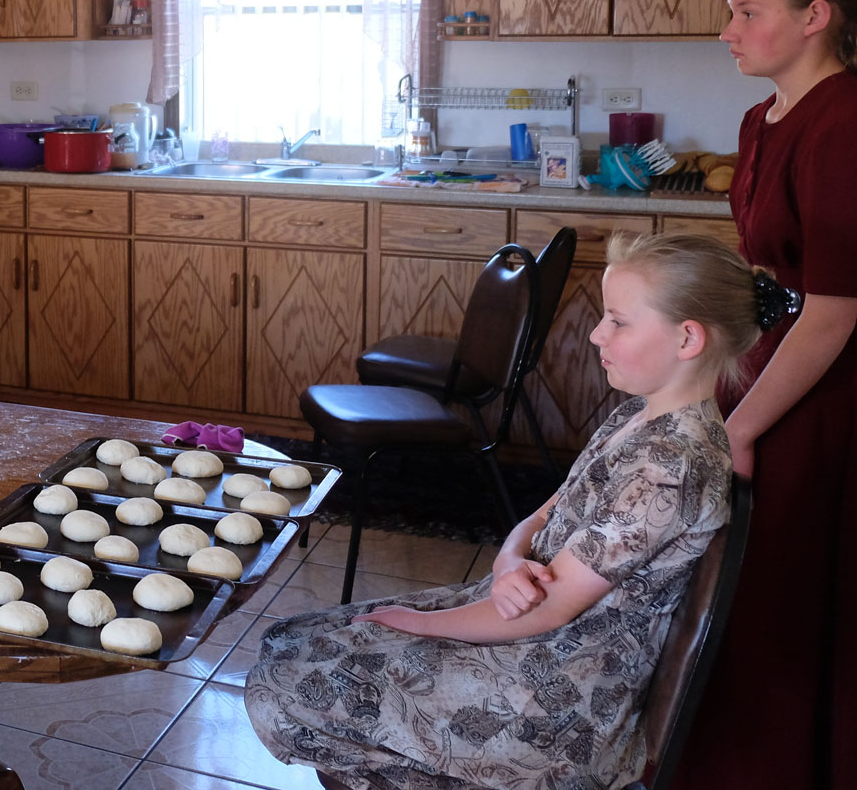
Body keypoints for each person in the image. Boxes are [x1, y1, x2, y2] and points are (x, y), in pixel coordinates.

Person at [245, 232, 769, 790]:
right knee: (288, 640)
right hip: (530, 628)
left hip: (556, 695)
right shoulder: (639, 418)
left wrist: (421, 625)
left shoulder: (671, 466)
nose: (596, 335)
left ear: (687, 338)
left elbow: (548, 613)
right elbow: (543, 514)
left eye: (618, 321)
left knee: (282, 688)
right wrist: (508, 561)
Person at [673, 0, 857, 790]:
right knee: (734, 580)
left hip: (822, 391)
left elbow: (833, 310)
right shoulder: (761, 120)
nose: (729, 31)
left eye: (748, 13)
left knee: (783, 580)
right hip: (766, 362)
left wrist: (740, 426)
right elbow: (765, 277)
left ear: (815, 17)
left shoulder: (845, 120)